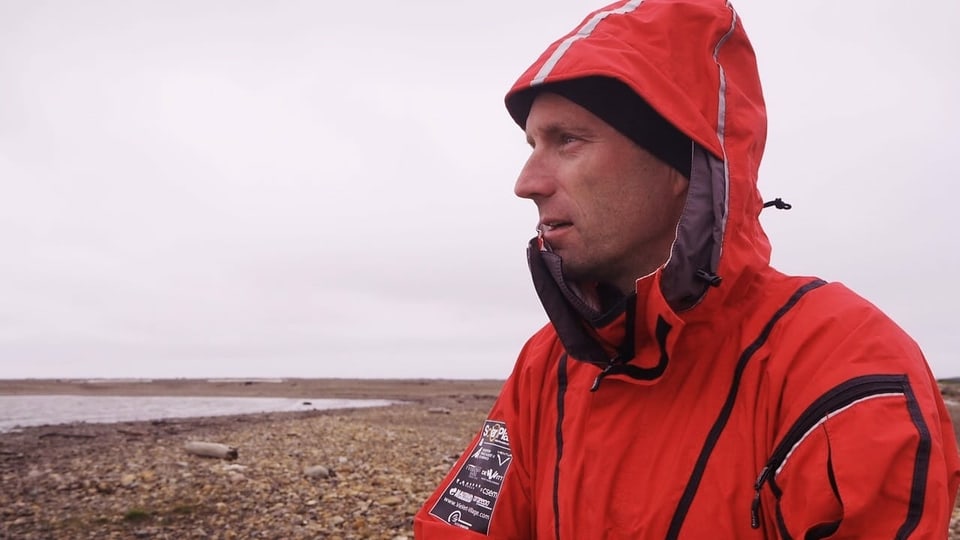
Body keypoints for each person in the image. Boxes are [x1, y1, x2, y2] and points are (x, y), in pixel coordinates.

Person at [414, 0, 960, 538]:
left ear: (685, 165)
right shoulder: (546, 365)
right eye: (532, 144)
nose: (526, 182)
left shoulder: (838, 362)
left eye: (568, 141)